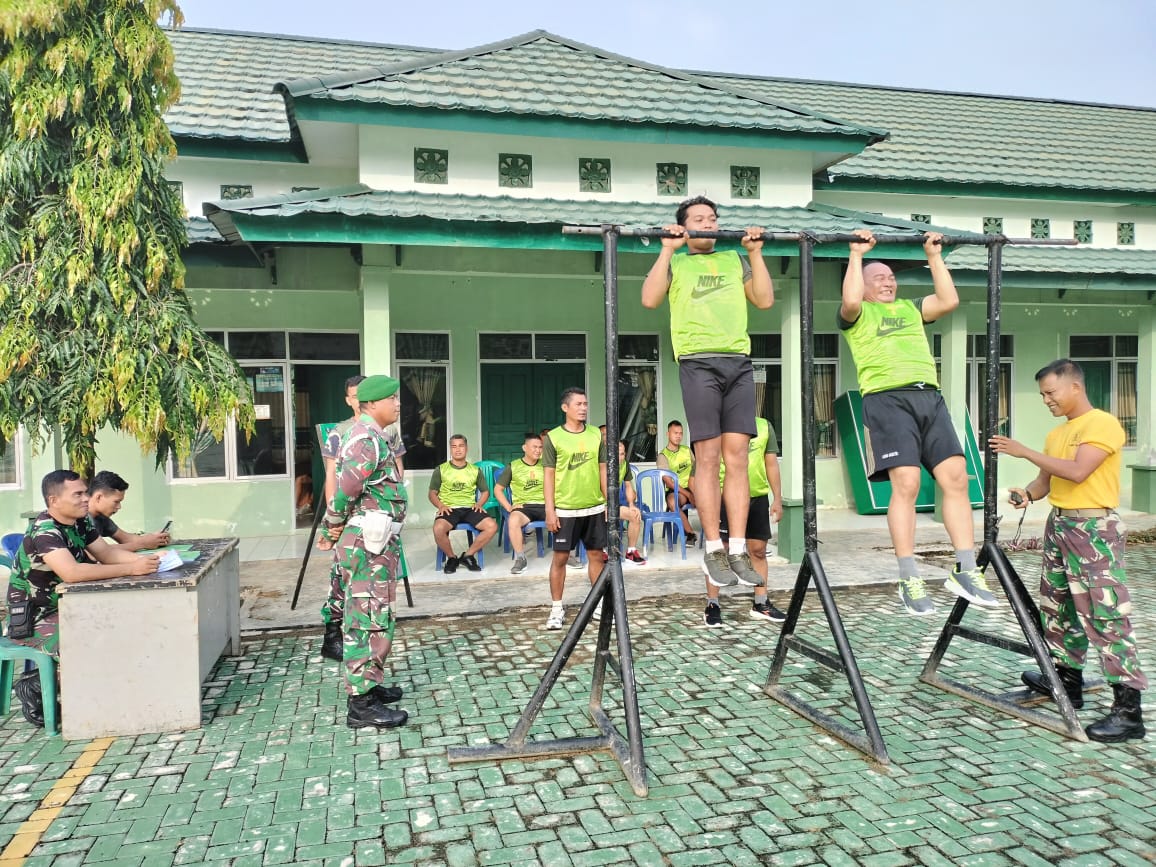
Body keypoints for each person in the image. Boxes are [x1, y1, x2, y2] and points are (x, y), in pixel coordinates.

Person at [839, 228, 998, 616]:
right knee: (906, 483)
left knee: (956, 477)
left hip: (929, 395)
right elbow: (847, 299)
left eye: (891, 277)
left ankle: (965, 569)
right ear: (863, 285)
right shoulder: (857, 314)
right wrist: (856, 256)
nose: (888, 281)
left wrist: (934, 256)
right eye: (879, 278)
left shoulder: (911, 309)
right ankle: (908, 575)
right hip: (886, 399)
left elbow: (949, 300)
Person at [991, 359, 1146, 742]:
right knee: (1058, 608)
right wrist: (1028, 493)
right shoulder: (1057, 435)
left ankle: (1128, 711)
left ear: (1075, 387)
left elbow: (1078, 472)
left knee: (1104, 613)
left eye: (1051, 392)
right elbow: (1048, 480)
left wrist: (1023, 451)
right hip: (1059, 524)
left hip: (1093, 529)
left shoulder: (1103, 424)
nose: (1047, 400)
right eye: (1043, 394)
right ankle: (1067, 683)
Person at [641, 195, 772, 590]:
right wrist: (667, 249)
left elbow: (764, 300)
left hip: (738, 361)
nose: (708, 224)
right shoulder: (678, 262)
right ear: (684, 225)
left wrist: (756, 252)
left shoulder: (735, 260)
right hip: (698, 361)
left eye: (712, 219)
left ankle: (736, 547)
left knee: (738, 457)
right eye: (699, 219)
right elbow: (649, 300)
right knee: (709, 454)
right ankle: (712, 544)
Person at [4, 470, 159, 726]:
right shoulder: (45, 531)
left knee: (122, 624)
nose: (85, 498)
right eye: (77, 494)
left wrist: (149, 562)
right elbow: (72, 572)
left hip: (69, 604)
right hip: (35, 618)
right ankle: (36, 685)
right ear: (54, 501)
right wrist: (131, 568)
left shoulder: (80, 521)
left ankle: (106, 693)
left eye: (85, 492)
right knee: (92, 638)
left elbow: (107, 553)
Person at [317, 374, 408, 729]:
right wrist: (331, 526)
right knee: (365, 620)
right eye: (392, 399)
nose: (398, 404)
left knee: (377, 616)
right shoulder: (365, 440)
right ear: (371, 404)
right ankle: (361, 704)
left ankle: (370, 683)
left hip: (379, 543)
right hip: (366, 544)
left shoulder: (375, 437)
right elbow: (344, 492)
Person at [709, 416, 786, 626]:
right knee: (720, 551)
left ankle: (761, 603)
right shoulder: (718, 423)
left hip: (757, 497)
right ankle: (712, 604)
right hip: (726, 497)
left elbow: (771, 463)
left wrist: (777, 498)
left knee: (758, 550)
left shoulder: (764, 425)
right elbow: (708, 465)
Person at [543, 387, 607, 630]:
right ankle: (557, 609)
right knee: (560, 558)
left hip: (593, 507)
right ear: (565, 408)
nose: (583, 408)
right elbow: (548, 475)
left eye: (586, 404)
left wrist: (607, 502)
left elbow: (602, 469)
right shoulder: (553, 438)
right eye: (578, 404)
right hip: (565, 510)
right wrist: (550, 510)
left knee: (596, 556)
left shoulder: (595, 435)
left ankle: (598, 605)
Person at [428, 434, 498, 573]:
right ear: (450, 449)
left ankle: (468, 555)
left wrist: (479, 504)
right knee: (438, 529)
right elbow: (432, 494)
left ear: (466, 448)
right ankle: (452, 558)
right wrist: (441, 506)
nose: (457, 449)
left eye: (461, 446)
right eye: (454, 446)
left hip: (469, 508)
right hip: (449, 508)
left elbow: (485, 492)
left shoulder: (474, 470)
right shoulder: (441, 469)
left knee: (492, 526)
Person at [494, 432, 546, 575]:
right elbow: (498, 490)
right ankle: (520, 558)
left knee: (565, 515)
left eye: (540, 447)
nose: (538, 450)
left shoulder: (546, 464)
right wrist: (509, 507)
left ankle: (567, 555)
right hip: (524, 508)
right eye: (534, 447)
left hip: (545, 506)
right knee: (513, 519)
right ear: (524, 448)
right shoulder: (513, 466)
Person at [86, 470, 172, 551]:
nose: (119, 507)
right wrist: (142, 544)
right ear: (99, 497)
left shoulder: (101, 517)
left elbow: (125, 538)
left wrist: (155, 539)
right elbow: (98, 552)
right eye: (116, 502)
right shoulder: (80, 519)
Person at [656, 420, 697, 543]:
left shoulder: (687, 450)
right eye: (675, 433)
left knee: (713, 499)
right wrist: (689, 494)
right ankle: (690, 533)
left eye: (680, 433)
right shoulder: (663, 456)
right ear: (668, 434)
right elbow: (669, 482)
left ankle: (719, 533)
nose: (678, 436)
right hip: (676, 490)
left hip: (693, 486)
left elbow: (697, 470)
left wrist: (695, 492)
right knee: (673, 502)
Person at [616, 440, 646, 565]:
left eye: (622, 454)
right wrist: (605, 506)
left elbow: (628, 486)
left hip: (615, 505)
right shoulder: (601, 464)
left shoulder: (625, 465)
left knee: (635, 514)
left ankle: (631, 552)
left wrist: (632, 505)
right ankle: (604, 551)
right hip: (598, 504)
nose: (619, 457)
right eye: (616, 454)